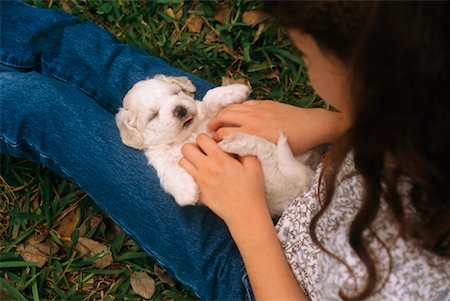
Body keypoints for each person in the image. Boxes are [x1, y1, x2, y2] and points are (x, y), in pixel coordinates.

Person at [0, 1, 448, 300]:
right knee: (98, 61)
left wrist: (246, 215)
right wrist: (336, 120)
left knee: (51, 110)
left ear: (369, 73)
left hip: (263, 266)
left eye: (307, 56)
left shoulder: (416, 281)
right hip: (296, 167)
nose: (304, 63)